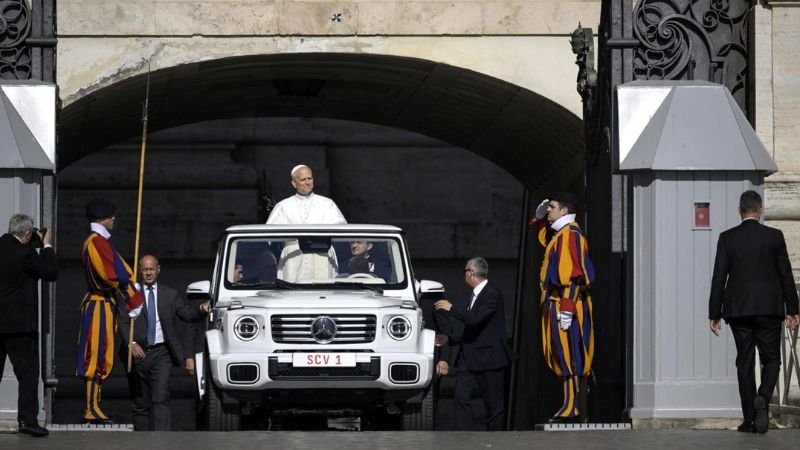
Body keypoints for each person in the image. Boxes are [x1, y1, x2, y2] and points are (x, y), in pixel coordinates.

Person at [708, 190, 800, 434]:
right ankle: (763, 396)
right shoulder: (775, 237)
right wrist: (793, 308)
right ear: (760, 210)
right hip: (769, 308)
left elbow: (719, 277)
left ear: (740, 211)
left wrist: (714, 312)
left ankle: (749, 418)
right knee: (772, 359)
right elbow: (785, 273)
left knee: (744, 362)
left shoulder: (727, 238)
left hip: (738, 310)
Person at [118, 254, 210, 431]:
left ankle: (162, 440)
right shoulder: (131, 294)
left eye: (152, 269)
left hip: (161, 354)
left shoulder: (170, 295)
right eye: (145, 270)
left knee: (161, 396)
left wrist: (201, 308)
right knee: (140, 402)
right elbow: (122, 321)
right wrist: (131, 343)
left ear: (158, 270)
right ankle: (142, 440)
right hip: (137, 355)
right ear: (139, 271)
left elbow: (186, 314)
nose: (149, 273)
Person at [76, 199, 144, 424]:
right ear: (101, 218)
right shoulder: (96, 243)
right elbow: (110, 275)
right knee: (95, 354)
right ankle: (90, 407)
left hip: (106, 304)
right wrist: (131, 297)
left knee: (103, 353)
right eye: (110, 215)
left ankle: (95, 406)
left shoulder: (100, 242)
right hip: (98, 304)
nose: (114, 219)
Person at [529, 192, 595, 423]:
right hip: (556, 304)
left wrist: (567, 308)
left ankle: (572, 408)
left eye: (552, 207)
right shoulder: (561, 234)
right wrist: (539, 219)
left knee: (571, 357)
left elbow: (573, 276)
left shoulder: (571, 235)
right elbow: (545, 239)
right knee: (560, 356)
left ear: (564, 211)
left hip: (566, 304)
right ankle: (567, 405)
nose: (549, 210)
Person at [434, 257, 513, 431]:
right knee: (461, 398)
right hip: (468, 360)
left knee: (494, 404)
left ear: (470, 272)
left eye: (465, 271)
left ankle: (494, 440)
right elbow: (471, 329)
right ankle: (466, 438)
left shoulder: (492, 294)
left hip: (490, 359)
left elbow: (475, 320)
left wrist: (451, 308)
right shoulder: (473, 295)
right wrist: (451, 339)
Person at [0, 214, 58, 437]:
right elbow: (51, 273)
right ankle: (27, 420)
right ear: (27, 233)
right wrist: (47, 245)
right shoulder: (25, 254)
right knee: (28, 373)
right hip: (19, 326)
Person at [266, 164, 347, 224]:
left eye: (309, 178)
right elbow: (269, 234)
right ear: (294, 183)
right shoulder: (283, 206)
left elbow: (341, 227)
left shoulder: (327, 203)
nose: (307, 182)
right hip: (293, 247)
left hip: (322, 246)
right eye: (303, 179)